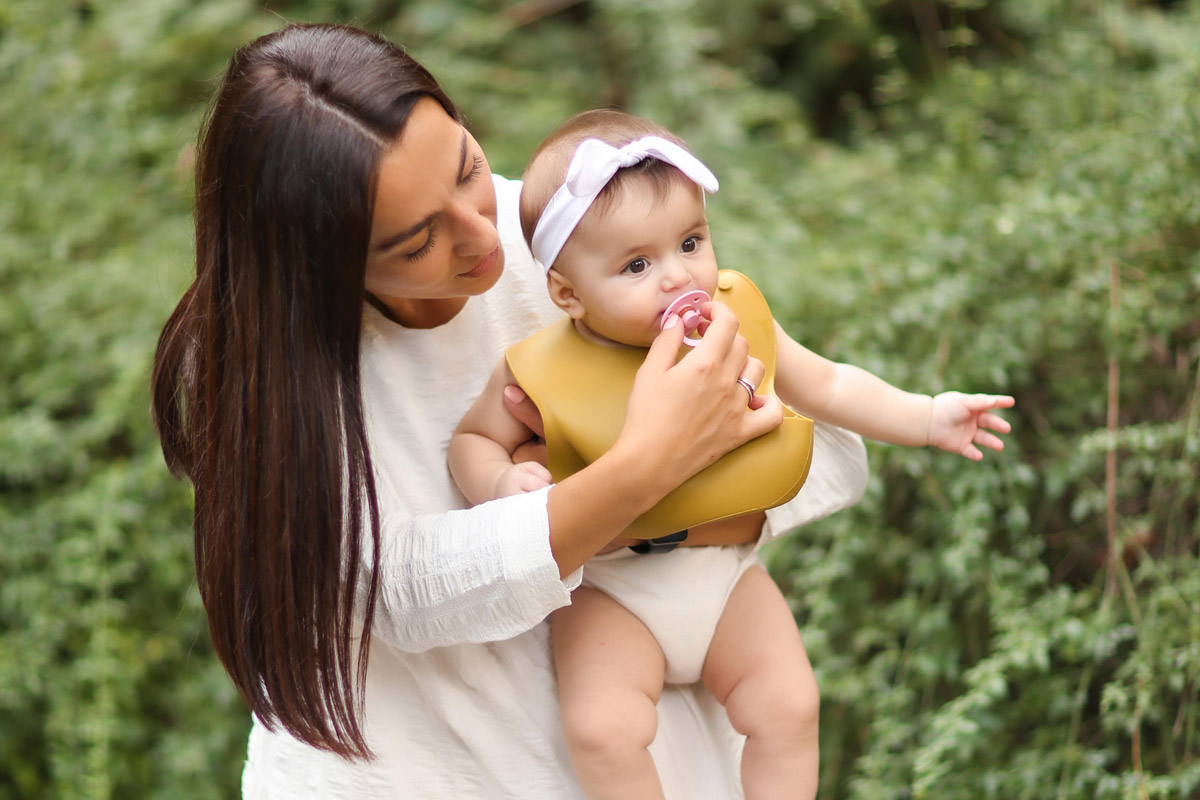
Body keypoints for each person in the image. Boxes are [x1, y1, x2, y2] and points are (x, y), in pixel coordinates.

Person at [150, 23, 871, 799]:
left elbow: (824, 446)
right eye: (420, 240)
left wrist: (615, 495)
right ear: (322, 266)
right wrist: (643, 471)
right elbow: (403, 591)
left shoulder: (570, 233)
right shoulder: (270, 371)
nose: (481, 230)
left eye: (468, 168)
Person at [448, 110, 1015, 800]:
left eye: (690, 241)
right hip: (611, 588)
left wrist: (928, 416)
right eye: (636, 264)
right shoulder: (535, 370)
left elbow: (828, 382)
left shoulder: (735, 317)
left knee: (790, 706)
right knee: (602, 729)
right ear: (567, 293)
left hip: (725, 575)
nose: (677, 276)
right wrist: (505, 479)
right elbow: (473, 441)